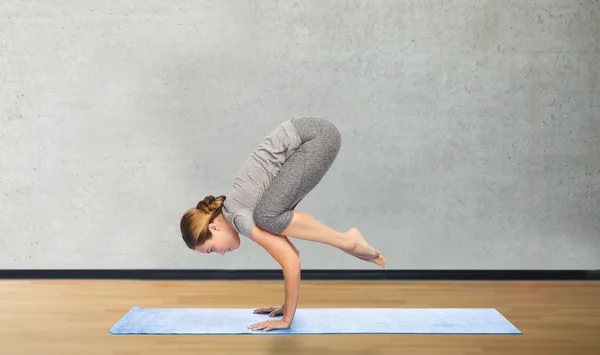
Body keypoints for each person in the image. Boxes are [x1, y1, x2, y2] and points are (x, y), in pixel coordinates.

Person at [180, 117, 386, 332]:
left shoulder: (238, 216)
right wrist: (286, 306)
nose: (221, 253)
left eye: (212, 249)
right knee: (269, 217)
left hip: (313, 138)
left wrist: (286, 319)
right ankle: (347, 241)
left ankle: (347, 240)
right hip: (314, 135)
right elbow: (292, 254)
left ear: (214, 227)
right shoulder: (239, 210)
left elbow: (290, 263)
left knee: (267, 216)